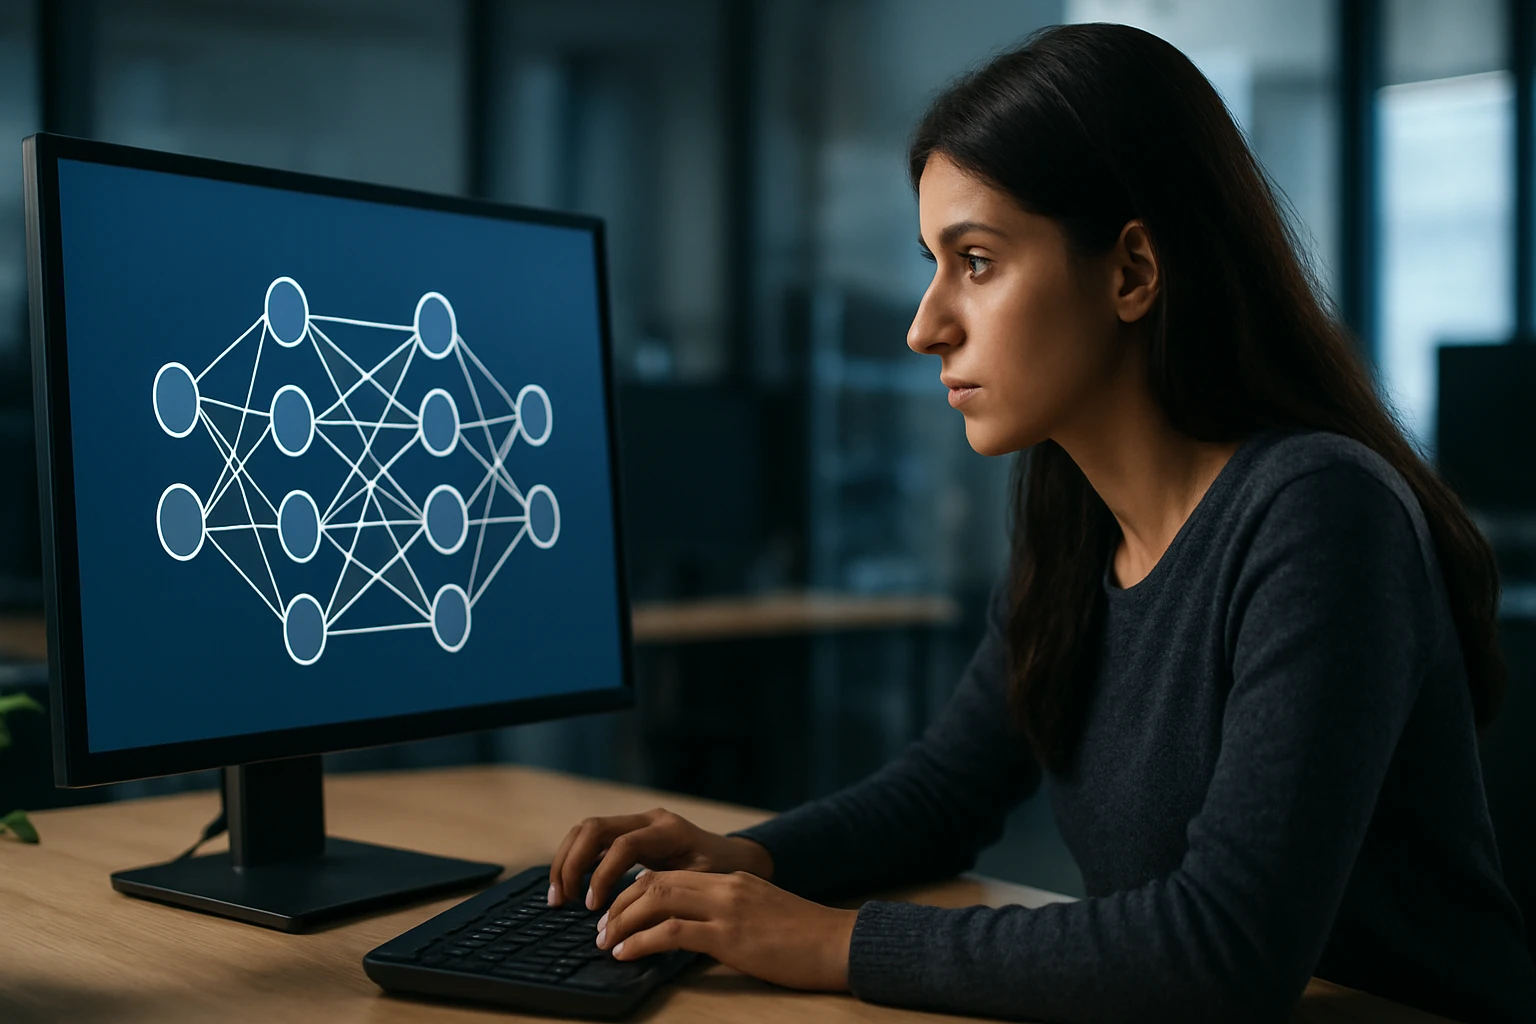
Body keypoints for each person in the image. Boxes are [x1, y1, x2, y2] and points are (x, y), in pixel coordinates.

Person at [548, 23, 1536, 1023]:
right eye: (935, 262)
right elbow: (948, 790)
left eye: (975, 261)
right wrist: (752, 857)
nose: (924, 325)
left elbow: (1225, 949)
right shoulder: (1071, 524)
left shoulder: (1321, 513)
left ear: (1133, 272)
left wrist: (829, 942)